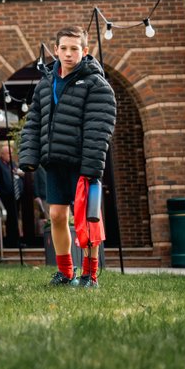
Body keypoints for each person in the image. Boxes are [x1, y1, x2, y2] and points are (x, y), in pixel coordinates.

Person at [19, 25, 117, 289]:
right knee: (57, 216)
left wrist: (92, 166)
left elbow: (99, 127)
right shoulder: (45, 84)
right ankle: (65, 272)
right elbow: (34, 122)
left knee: (87, 220)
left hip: (82, 163)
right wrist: (29, 155)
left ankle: (90, 275)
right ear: (56, 50)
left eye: (74, 48)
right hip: (54, 162)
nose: (68, 53)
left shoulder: (96, 84)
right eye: (63, 48)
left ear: (84, 51)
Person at [0, 144, 21, 250]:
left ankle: (15, 242)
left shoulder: (13, 164)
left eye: (11, 153)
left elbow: (17, 176)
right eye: (8, 153)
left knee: (14, 219)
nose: (10, 155)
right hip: (3, 196)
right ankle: (5, 242)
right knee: (4, 219)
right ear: (2, 154)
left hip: (14, 196)